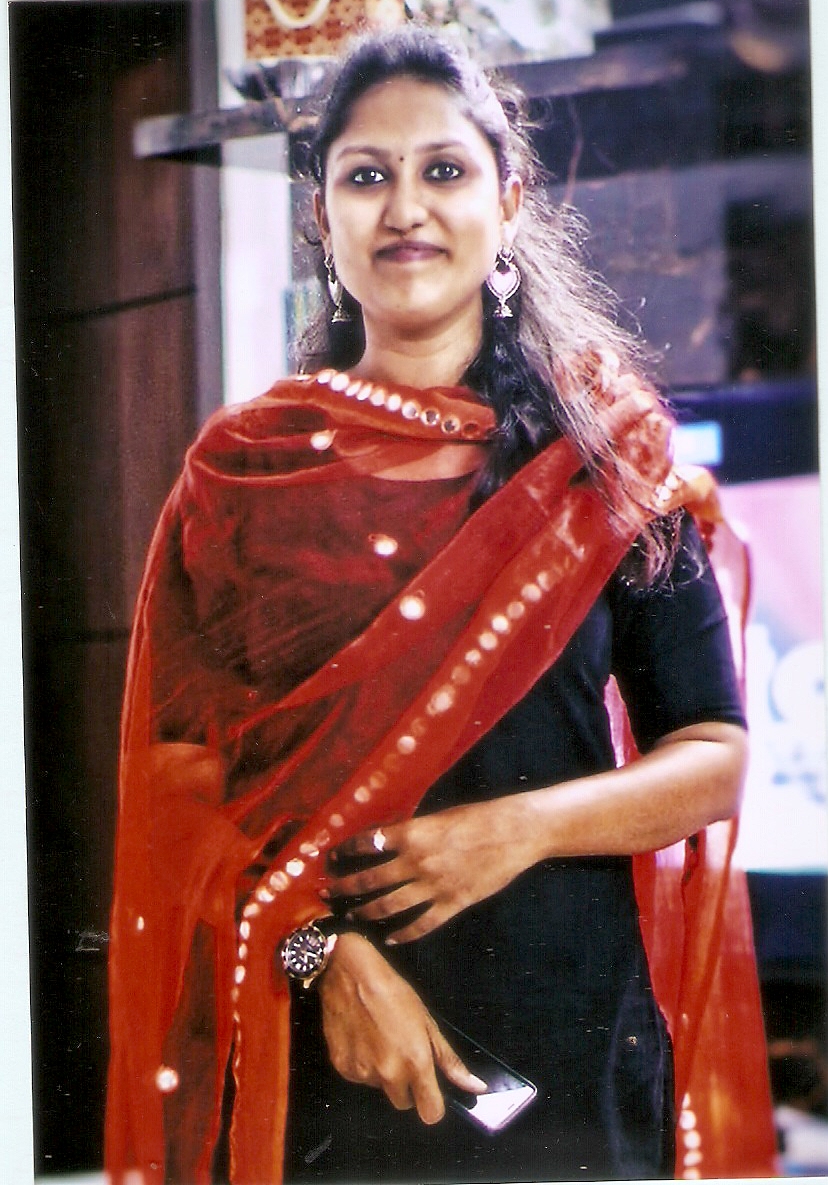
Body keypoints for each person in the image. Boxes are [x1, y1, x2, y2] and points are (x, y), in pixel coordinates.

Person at [105, 25, 773, 1185]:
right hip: (333, 1052)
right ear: (322, 217)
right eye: (367, 176)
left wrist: (515, 830)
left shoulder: (604, 461)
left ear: (506, 202)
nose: (405, 208)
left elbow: (711, 756)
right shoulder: (245, 477)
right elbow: (179, 790)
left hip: (572, 1053)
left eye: (444, 170)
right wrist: (321, 956)